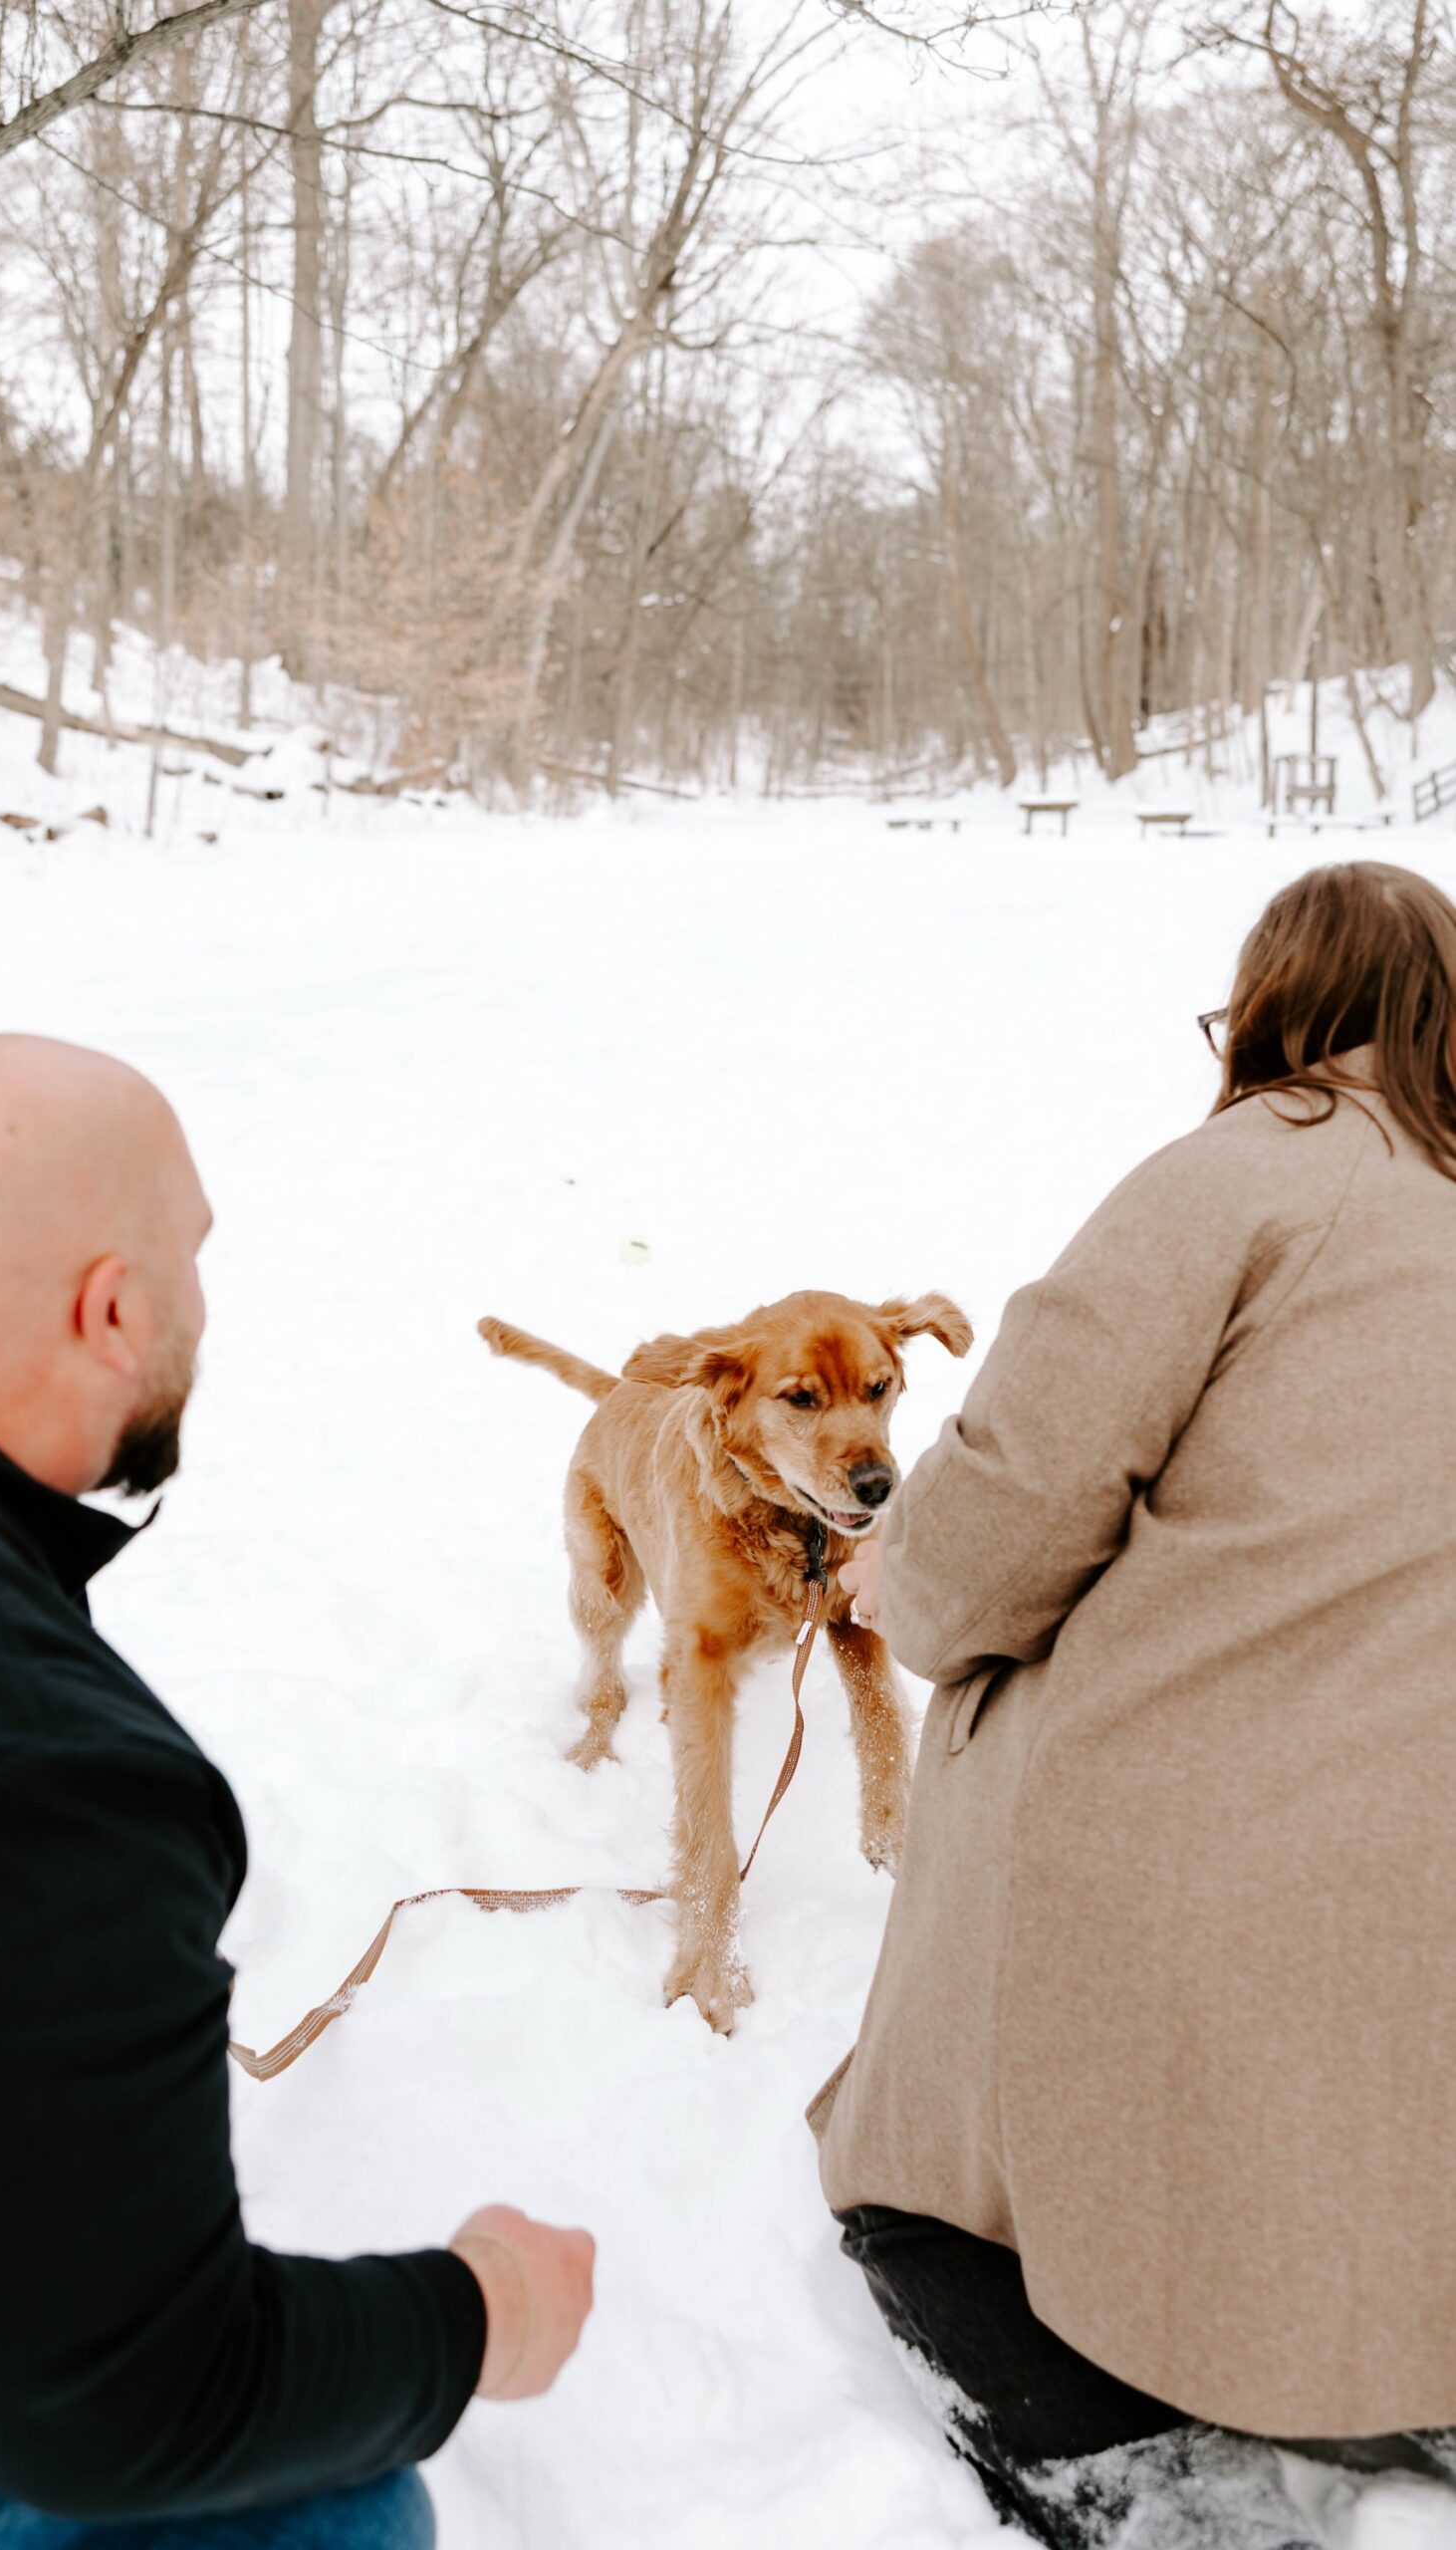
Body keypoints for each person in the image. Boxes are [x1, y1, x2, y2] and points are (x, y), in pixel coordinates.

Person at [0, 1034, 595, 2550]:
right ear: (116, 1308)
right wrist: (487, 2313)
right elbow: (122, 2400)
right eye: (193, 1256)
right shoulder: (21, 1774)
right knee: (325, 2509)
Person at [820, 862, 1456, 2549]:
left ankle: (1103, 2384)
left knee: (929, 2190)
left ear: (1269, 1016)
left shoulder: (1244, 1178)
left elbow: (990, 1543)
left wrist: (909, 1577)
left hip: (1234, 1852)